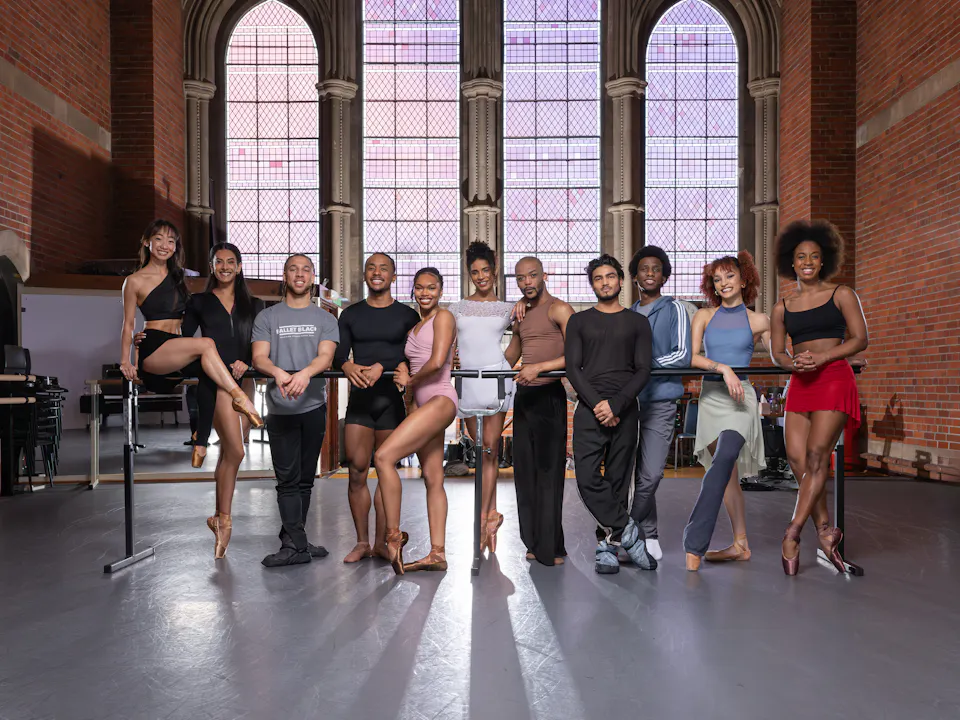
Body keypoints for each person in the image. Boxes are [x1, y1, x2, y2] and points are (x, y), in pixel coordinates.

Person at [772, 220, 868, 576]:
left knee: (816, 458)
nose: (808, 261)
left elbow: (860, 339)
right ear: (791, 263)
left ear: (823, 261)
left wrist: (824, 358)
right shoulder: (783, 305)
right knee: (798, 460)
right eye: (801, 257)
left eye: (814, 256)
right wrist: (790, 362)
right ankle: (826, 534)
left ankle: (792, 533)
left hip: (832, 378)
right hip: (800, 382)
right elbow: (777, 351)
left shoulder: (842, 294)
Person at [119, 220, 262, 437]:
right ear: (147, 242)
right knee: (207, 344)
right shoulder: (134, 281)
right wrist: (126, 360)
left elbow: (185, 322)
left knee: (212, 369)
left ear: (176, 246)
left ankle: (200, 439)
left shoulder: (179, 277)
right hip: (155, 344)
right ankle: (241, 398)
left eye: (170, 240)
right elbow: (128, 323)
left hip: (176, 345)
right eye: (158, 239)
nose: (164, 245)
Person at [565, 254, 656, 575]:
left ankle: (608, 548)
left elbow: (644, 369)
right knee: (588, 478)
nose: (604, 282)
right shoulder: (579, 321)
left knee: (618, 481)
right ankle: (627, 531)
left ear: (620, 280)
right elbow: (573, 369)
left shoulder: (637, 323)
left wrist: (616, 404)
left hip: (626, 408)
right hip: (589, 409)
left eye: (609, 277)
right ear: (593, 284)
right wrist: (598, 404)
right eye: (597, 278)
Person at [682, 251, 770, 572]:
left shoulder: (760, 320)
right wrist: (723, 368)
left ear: (744, 279)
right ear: (713, 287)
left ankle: (694, 541)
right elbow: (693, 358)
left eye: (730, 276)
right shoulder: (704, 317)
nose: (724, 283)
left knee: (723, 461)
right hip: (713, 397)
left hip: (740, 399)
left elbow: (785, 354)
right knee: (725, 471)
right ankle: (741, 544)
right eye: (717, 279)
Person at [252, 254, 339, 567]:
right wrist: (277, 372)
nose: (299, 274)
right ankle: (295, 545)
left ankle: (295, 541)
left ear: (312, 277)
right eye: (293, 269)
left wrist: (304, 374)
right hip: (280, 408)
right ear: (285, 276)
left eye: (306, 269)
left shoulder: (326, 318)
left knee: (304, 480)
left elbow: (326, 357)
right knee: (287, 480)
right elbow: (259, 357)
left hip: (313, 407)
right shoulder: (268, 316)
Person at [333, 252, 419, 563]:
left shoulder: (408, 316)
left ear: (393, 276)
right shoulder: (351, 314)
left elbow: (412, 353)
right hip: (360, 401)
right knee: (357, 471)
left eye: (384, 268)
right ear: (365, 275)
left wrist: (388, 364)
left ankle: (384, 542)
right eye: (371, 267)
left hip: (390, 403)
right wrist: (346, 366)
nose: (377, 272)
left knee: (386, 471)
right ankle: (361, 542)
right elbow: (339, 353)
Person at [373, 268, 458, 575]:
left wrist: (408, 380)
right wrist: (408, 393)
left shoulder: (444, 318)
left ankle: (393, 538)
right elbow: (411, 364)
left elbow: (436, 363)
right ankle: (437, 553)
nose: (425, 293)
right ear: (413, 291)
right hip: (423, 403)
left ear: (441, 290)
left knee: (383, 456)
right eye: (420, 288)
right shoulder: (416, 326)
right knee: (433, 479)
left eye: (431, 288)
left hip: (441, 399)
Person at [506, 256, 574, 566]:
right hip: (524, 398)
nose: (527, 282)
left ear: (544, 275)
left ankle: (552, 547)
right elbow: (512, 354)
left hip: (549, 397)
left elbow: (577, 355)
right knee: (525, 473)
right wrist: (478, 373)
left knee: (549, 474)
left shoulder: (559, 309)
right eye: (521, 278)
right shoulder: (520, 313)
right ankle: (534, 542)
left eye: (532, 276)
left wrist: (540, 369)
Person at [450, 241, 518, 553]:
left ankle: (483, 520)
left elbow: (520, 340)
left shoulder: (508, 309)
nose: (481, 276)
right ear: (469, 275)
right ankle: (490, 516)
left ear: (494, 271)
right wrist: (451, 359)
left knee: (490, 451)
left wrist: (505, 367)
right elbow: (449, 342)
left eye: (485, 270)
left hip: (495, 380)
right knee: (479, 452)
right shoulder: (457, 308)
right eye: (475, 272)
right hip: (467, 383)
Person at [627, 245, 692, 561]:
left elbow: (682, 356)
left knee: (651, 473)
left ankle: (621, 530)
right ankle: (647, 533)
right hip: (628, 403)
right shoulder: (628, 314)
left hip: (661, 402)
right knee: (635, 473)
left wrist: (643, 365)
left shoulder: (676, 309)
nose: (649, 273)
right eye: (643, 268)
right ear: (635, 276)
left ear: (664, 275)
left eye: (655, 268)